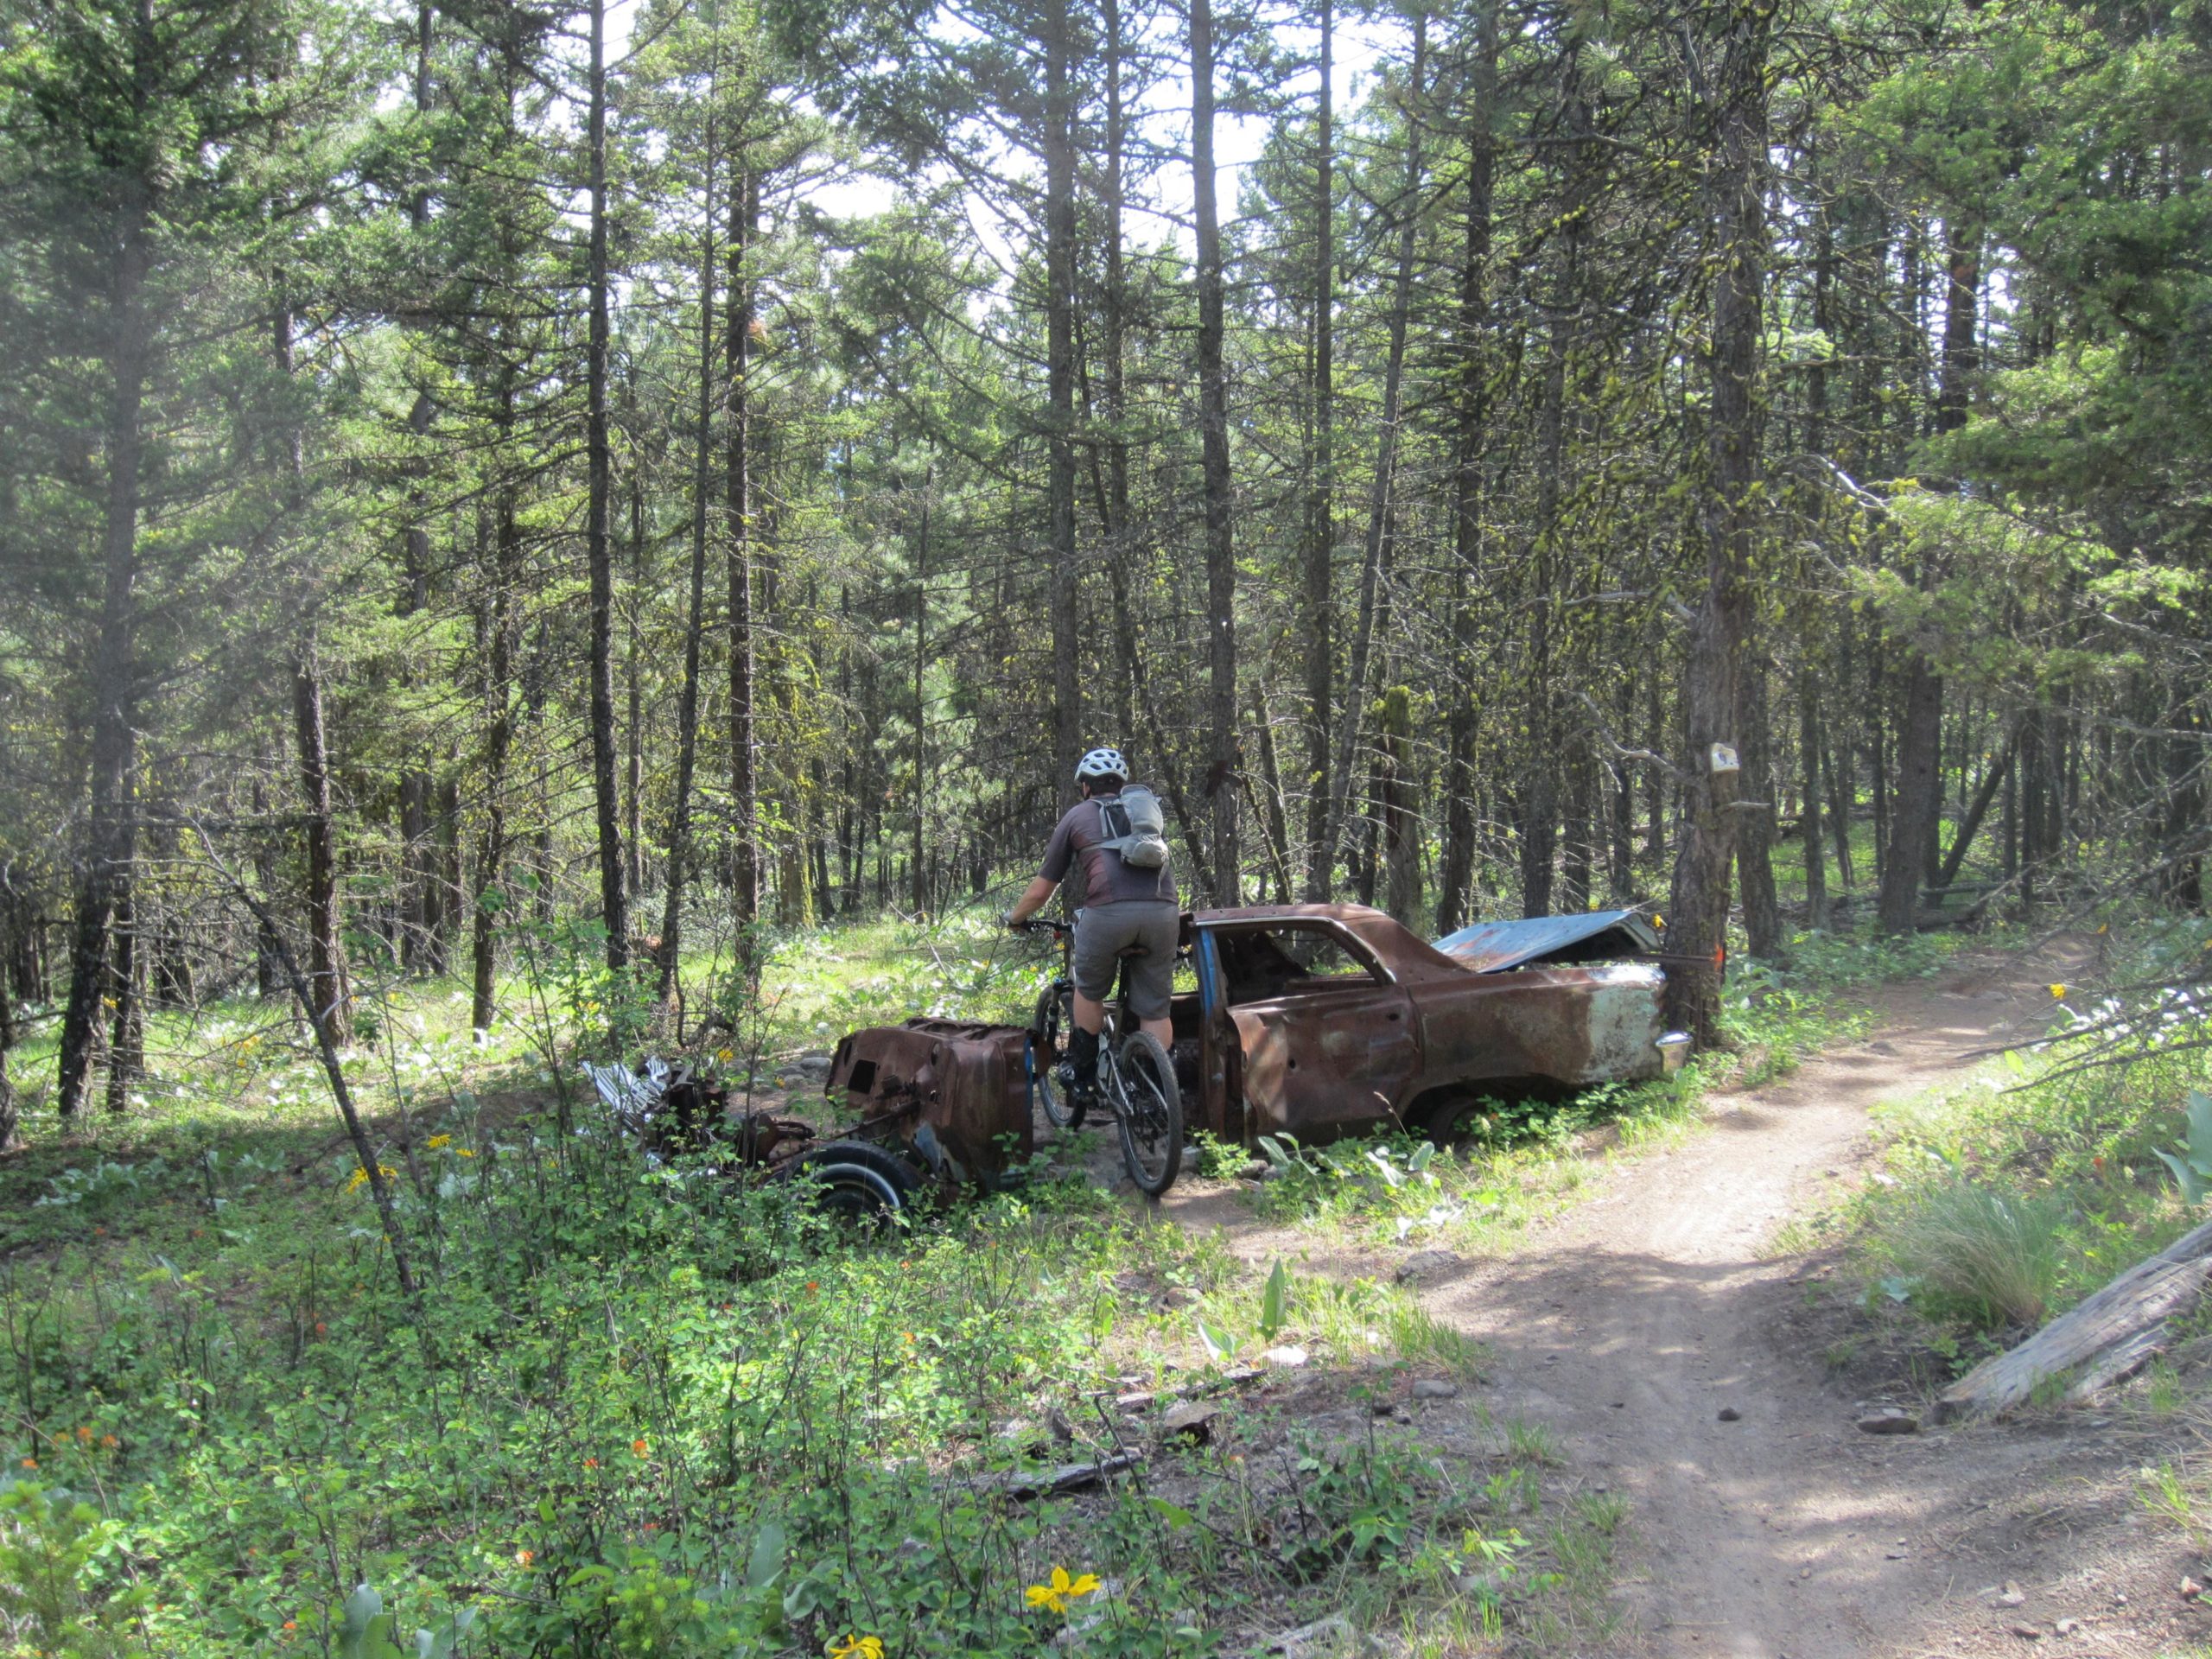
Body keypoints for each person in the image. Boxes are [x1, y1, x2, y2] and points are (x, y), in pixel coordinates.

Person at [1004, 747, 1179, 1104]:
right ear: (1121, 785)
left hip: (1108, 914)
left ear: (1086, 786)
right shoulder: (1145, 814)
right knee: (1155, 1009)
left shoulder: (1076, 816)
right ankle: (1157, 1093)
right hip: (1163, 911)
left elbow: (1041, 890)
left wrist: (1015, 918)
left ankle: (1083, 1079)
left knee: (1089, 989)